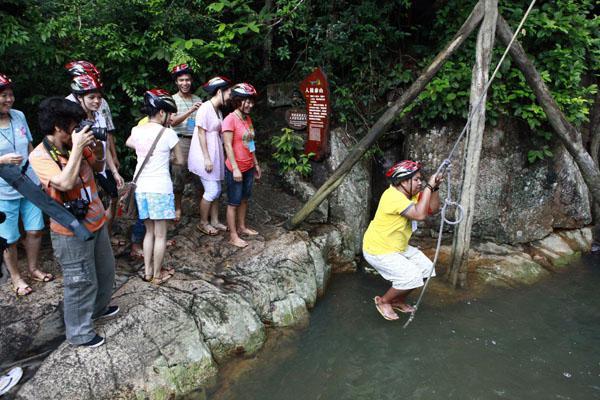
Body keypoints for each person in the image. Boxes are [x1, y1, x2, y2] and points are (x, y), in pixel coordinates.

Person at [29, 97, 119, 348]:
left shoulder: (74, 143)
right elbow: (65, 183)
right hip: (70, 229)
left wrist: (98, 148)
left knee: (105, 271)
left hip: (95, 219)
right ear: (58, 127)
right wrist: (78, 148)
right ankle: (79, 333)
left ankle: (98, 309)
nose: (78, 129)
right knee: (80, 282)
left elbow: (99, 165)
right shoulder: (40, 156)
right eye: (73, 125)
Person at [362, 160, 442, 321]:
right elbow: (420, 215)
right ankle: (383, 301)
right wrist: (428, 187)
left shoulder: (411, 194)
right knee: (411, 276)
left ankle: (397, 300)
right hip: (378, 249)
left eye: (421, 179)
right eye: (416, 179)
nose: (420, 183)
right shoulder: (392, 196)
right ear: (403, 181)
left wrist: (434, 188)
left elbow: (433, 209)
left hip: (396, 247)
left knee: (426, 269)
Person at [0, 73, 52, 297]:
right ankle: (15, 276)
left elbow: (31, 147)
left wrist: (40, 175)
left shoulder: (19, 116)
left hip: (28, 183)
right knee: (9, 238)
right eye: (3, 95)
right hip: (2, 190)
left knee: (35, 230)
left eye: (10, 95)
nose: (9, 99)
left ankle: (32, 268)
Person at [126, 89, 183, 284]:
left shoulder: (137, 130)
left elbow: (130, 144)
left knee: (148, 232)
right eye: (168, 113)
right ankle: (158, 275)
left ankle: (148, 271)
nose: (169, 117)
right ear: (161, 112)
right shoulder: (168, 133)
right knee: (161, 235)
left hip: (141, 188)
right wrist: (170, 155)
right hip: (160, 188)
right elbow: (180, 161)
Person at [67, 73, 124, 238]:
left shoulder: (99, 115)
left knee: (112, 198)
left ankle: (105, 237)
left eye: (99, 97)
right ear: (79, 98)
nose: (97, 101)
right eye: (91, 97)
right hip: (85, 171)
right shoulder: (74, 121)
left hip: (102, 167)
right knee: (92, 207)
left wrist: (114, 171)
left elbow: (104, 145)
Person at [188, 76, 232, 235]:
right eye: (228, 93)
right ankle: (203, 222)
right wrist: (206, 158)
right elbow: (200, 133)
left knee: (217, 189)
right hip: (204, 154)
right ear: (219, 91)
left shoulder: (218, 110)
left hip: (216, 152)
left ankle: (214, 221)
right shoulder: (205, 108)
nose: (230, 97)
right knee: (212, 190)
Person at [222, 83, 261, 248]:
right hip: (235, 168)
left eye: (251, 101)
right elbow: (228, 145)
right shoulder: (230, 119)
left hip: (248, 166)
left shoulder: (247, 118)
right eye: (246, 101)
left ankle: (242, 227)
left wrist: (256, 163)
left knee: (244, 199)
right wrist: (235, 168)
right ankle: (233, 235)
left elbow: (250, 141)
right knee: (234, 202)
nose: (249, 105)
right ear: (237, 100)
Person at [169, 64, 202, 222]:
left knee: (199, 176)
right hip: (179, 141)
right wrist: (190, 111)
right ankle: (177, 208)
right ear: (176, 82)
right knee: (178, 176)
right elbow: (173, 122)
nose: (185, 83)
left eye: (187, 80)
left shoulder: (198, 99)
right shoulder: (172, 100)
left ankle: (199, 208)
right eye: (181, 80)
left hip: (196, 141)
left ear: (191, 81)